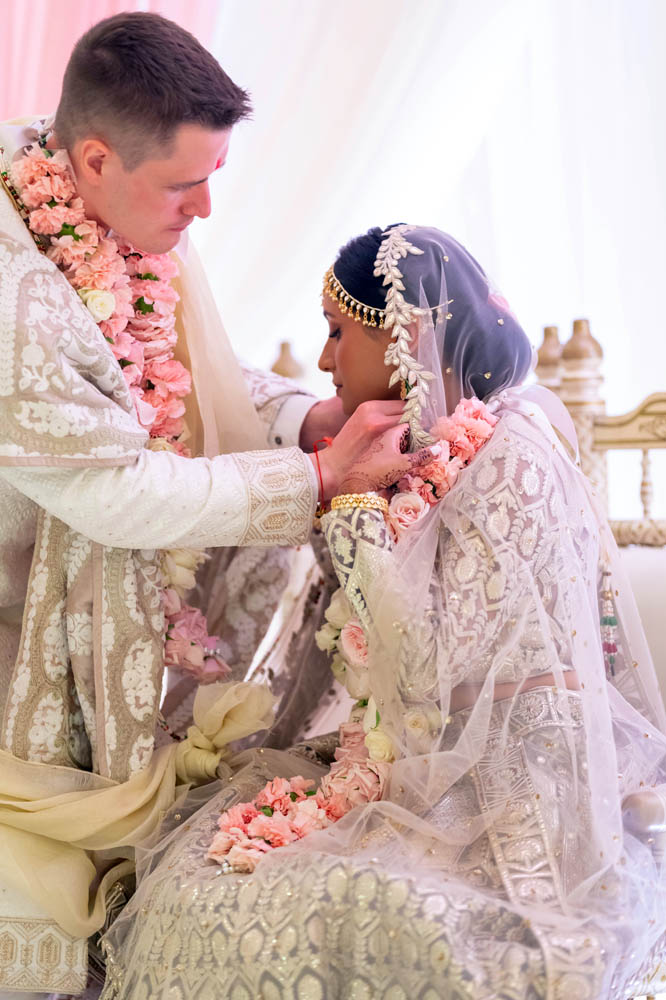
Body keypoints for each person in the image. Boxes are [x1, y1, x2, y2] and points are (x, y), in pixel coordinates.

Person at [101, 225, 666, 1000]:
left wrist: (357, 508)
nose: (325, 358)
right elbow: (350, 658)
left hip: (508, 789)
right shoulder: (414, 451)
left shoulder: (512, 457)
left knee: (346, 907)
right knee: (198, 866)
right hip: (409, 760)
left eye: (337, 333)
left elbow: (429, 670)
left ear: (405, 334)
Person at [0, 16, 424, 996]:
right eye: (187, 186)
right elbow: (115, 489)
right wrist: (315, 485)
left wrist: (304, 423)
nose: (205, 210)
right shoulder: (17, 300)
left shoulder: (94, 197)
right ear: (96, 159)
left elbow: (186, 373)